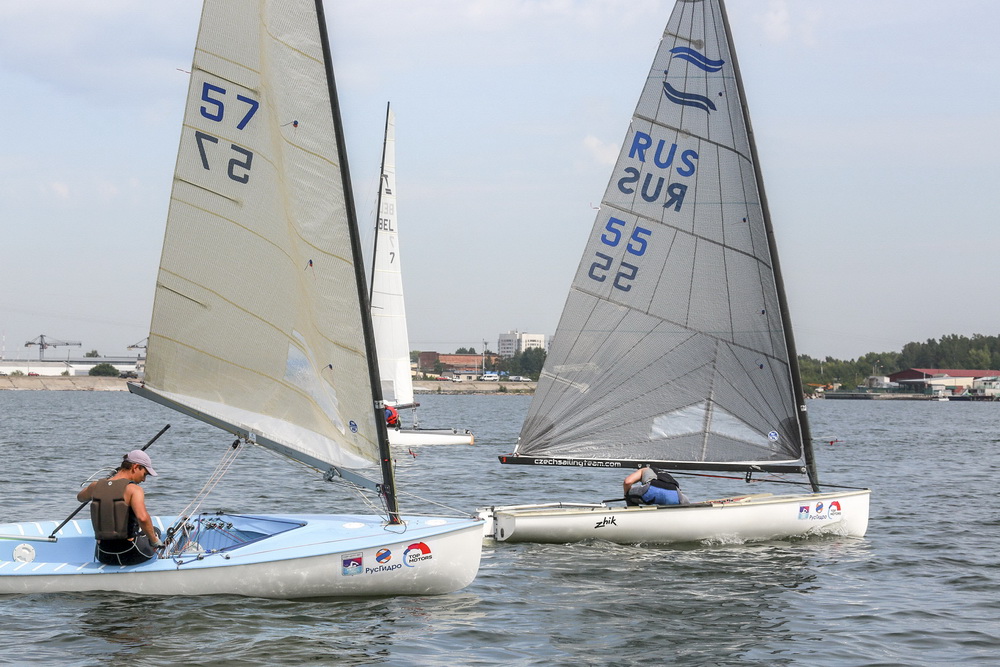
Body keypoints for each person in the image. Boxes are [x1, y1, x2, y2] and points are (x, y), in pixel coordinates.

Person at [76, 449, 163, 566]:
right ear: (136, 467)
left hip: (104, 555)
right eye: (145, 474)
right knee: (155, 531)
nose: (144, 479)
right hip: (130, 554)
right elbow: (142, 518)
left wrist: (106, 484)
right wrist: (154, 541)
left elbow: (80, 497)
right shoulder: (134, 490)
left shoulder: (94, 486)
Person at [623, 467, 689, 506]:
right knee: (686, 502)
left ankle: (634, 517)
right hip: (675, 494)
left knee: (628, 493)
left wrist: (626, 495)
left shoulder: (644, 469)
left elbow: (627, 482)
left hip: (652, 490)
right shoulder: (666, 474)